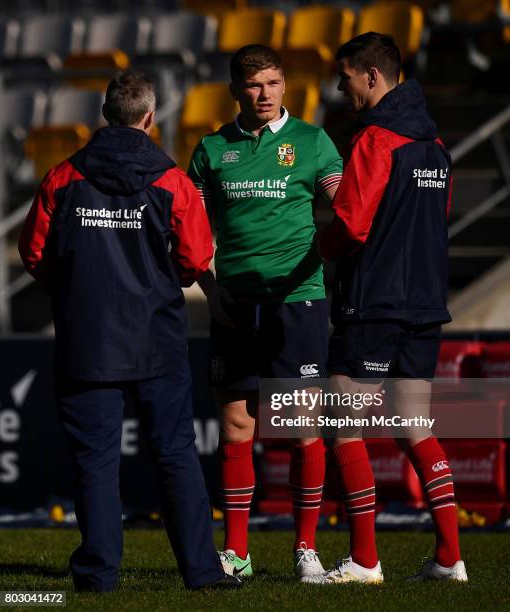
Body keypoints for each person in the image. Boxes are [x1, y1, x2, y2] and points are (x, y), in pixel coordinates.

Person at [18, 70, 241, 592]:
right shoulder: (171, 182)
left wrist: (74, 289)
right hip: (156, 341)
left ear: (105, 116)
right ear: (149, 119)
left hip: (87, 342)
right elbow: (193, 260)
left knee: (95, 464)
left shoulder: (62, 178)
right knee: (176, 457)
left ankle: (98, 576)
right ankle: (202, 572)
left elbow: (34, 255)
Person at [302, 32, 467, 585]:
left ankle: (365, 560)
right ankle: (449, 558)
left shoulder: (375, 139)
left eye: (345, 76)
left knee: (344, 430)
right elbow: (438, 216)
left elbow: (350, 224)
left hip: (372, 303)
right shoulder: (436, 146)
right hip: (425, 305)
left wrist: (313, 251)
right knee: (414, 426)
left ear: (372, 75)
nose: (339, 87)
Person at [187, 44, 343, 580]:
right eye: (254, 85)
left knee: (302, 428)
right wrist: (209, 288)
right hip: (234, 304)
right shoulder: (210, 150)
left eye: (273, 83)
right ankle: (237, 553)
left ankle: (306, 549)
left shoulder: (313, 141)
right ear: (235, 91)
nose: (264, 94)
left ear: (285, 87)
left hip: (297, 303)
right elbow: (186, 230)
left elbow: (345, 206)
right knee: (236, 427)